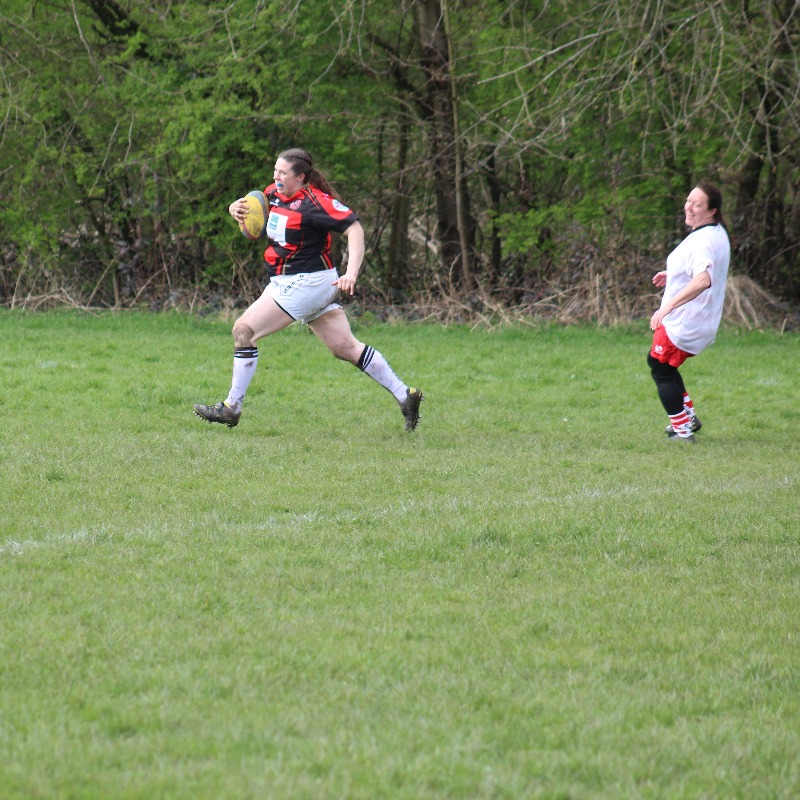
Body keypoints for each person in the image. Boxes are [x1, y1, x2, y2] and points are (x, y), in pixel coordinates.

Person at [193, 147, 423, 431]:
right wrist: (234, 209)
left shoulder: (316, 202)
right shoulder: (272, 195)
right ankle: (406, 396)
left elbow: (355, 229)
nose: (276, 177)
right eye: (275, 170)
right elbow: (252, 220)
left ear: (301, 177)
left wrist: (351, 273)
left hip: (307, 283)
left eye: (283, 173)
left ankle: (231, 408)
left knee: (244, 330)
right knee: (345, 348)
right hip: (289, 282)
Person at [648, 181, 730, 443]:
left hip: (684, 323)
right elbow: (703, 268)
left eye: (697, 204)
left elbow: (703, 280)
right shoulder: (715, 233)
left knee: (660, 369)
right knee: (664, 367)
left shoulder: (704, 239)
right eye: (688, 201)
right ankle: (689, 416)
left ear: (712, 210)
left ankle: (683, 431)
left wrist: (668, 307)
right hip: (699, 323)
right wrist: (674, 273)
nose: (689, 207)